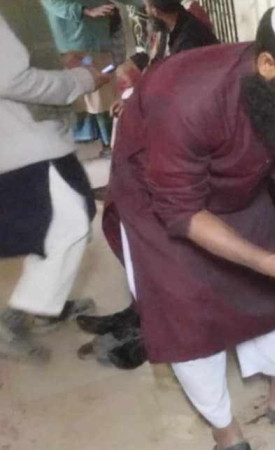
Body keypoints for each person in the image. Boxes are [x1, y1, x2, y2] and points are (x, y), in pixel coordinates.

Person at [101, 1, 275, 448]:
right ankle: (225, 431)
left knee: (273, 299)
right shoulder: (184, 93)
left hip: (240, 188)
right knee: (189, 325)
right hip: (161, 203)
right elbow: (181, 210)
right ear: (268, 65)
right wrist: (270, 262)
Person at [75, 0, 221, 368]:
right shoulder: (170, 29)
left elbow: (181, 100)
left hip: (194, 154)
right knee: (133, 216)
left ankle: (153, 326)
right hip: (180, 144)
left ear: (153, 6)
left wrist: (138, 105)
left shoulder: (191, 36)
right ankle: (140, 311)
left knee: (149, 224)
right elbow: (156, 71)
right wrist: (135, 92)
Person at [0, 2, 110, 362]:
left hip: (27, 135)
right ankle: (22, 313)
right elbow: (11, 79)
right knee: (69, 221)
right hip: (22, 139)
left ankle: (44, 305)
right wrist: (81, 80)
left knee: (54, 223)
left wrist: (58, 62)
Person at [40, 0, 139, 157]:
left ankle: (110, 144)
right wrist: (84, 11)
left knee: (104, 96)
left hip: (100, 39)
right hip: (73, 45)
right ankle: (71, 150)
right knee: (79, 98)